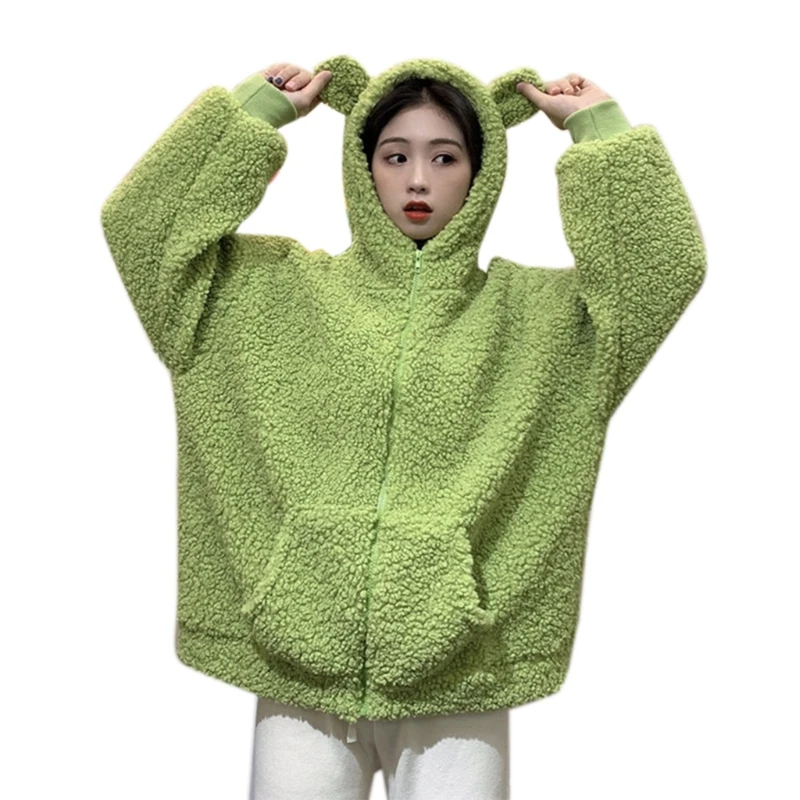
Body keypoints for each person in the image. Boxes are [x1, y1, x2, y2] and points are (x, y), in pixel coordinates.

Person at [100, 56, 706, 800]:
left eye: (445, 158)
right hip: (296, 677)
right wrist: (252, 117)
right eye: (395, 156)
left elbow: (656, 272)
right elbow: (144, 230)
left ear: (481, 175)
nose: (418, 180)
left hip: (462, 680)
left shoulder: (545, 322)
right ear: (364, 169)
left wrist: (598, 130)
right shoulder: (263, 292)